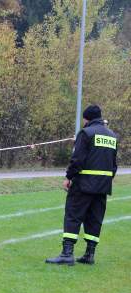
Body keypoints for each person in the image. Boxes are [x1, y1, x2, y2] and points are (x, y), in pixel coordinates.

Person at [46, 105, 118, 265]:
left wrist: (69, 177)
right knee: (95, 219)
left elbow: (77, 160)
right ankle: (89, 255)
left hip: (83, 184)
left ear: (87, 118)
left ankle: (67, 254)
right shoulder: (112, 136)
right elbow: (114, 165)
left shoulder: (86, 133)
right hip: (103, 187)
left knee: (73, 215)